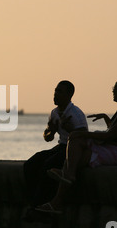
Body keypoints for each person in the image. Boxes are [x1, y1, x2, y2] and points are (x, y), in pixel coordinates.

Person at [36, 77, 117, 214]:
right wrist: (106, 118)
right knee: (73, 160)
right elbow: (116, 130)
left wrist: (85, 134)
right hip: (110, 148)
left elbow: (109, 136)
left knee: (75, 139)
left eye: (115, 88)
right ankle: (58, 200)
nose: (112, 91)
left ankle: (62, 189)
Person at [23, 81, 88, 219]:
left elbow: (84, 139)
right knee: (30, 164)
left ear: (69, 95)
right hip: (60, 146)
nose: (55, 95)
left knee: (48, 165)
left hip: (72, 150)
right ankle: (33, 202)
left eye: (59, 92)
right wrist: (50, 131)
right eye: (55, 91)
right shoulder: (54, 113)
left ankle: (40, 206)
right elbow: (47, 137)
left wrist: (70, 129)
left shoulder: (76, 114)